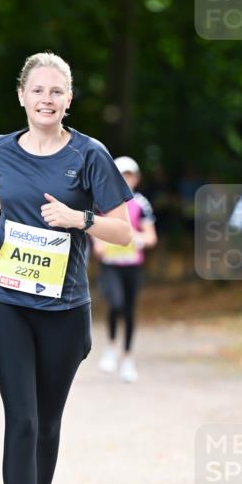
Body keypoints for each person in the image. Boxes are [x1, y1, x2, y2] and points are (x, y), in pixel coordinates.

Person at [0, 51, 133, 484]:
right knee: (22, 418)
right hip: (5, 300)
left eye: (56, 91)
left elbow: (123, 230)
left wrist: (78, 218)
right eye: (37, 90)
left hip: (64, 308)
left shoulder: (90, 154)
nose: (46, 99)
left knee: (48, 422)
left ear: (69, 99)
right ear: (21, 96)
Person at [93, 156, 158, 383]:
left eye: (129, 176)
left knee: (129, 311)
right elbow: (94, 228)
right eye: (121, 175)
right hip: (110, 265)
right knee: (115, 303)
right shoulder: (102, 201)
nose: (125, 180)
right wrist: (99, 244)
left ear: (136, 179)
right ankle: (111, 347)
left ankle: (128, 358)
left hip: (132, 265)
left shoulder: (141, 204)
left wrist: (135, 238)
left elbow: (151, 237)